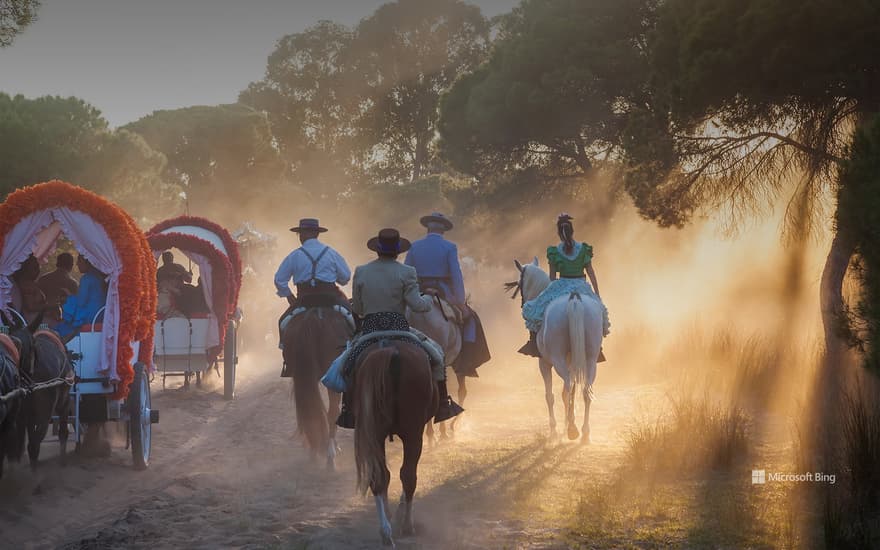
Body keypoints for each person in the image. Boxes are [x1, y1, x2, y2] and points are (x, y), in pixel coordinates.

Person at [336, 228, 464, 428]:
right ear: (398, 252)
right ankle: (442, 404)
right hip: (401, 329)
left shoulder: (361, 271)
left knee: (347, 364)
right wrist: (429, 296)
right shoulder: (407, 272)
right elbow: (417, 306)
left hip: (369, 330)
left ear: (377, 250)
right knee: (438, 355)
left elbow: (359, 309)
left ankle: (347, 410)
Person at [405, 212, 491, 375]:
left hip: (418, 289)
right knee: (470, 319)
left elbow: (406, 272)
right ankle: (466, 362)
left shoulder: (414, 246)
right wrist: (459, 301)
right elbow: (456, 275)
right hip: (443, 290)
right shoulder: (450, 247)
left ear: (427, 228)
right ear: (443, 230)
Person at [519, 214, 610, 360]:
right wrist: (597, 293)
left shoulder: (554, 252)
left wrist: (547, 294)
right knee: (600, 313)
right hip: (582, 286)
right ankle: (597, 347)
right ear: (572, 231)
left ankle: (534, 344)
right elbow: (591, 272)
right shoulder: (583, 249)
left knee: (534, 309)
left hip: (561, 285)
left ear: (558, 234)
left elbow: (552, 278)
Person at [274, 218, 351, 345]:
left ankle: (284, 349)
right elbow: (345, 277)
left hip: (304, 301)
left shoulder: (294, 255)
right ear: (317, 234)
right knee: (352, 320)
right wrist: (331, 276)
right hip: (330, 299)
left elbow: (279, 280)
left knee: (282, 323)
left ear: (301, 235)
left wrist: (289, 297)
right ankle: (350, 348)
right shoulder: (331, 253)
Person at [55, 256, 108, 338]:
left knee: (60, 328)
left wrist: (69, 297)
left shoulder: (86, 278)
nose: (76, 264)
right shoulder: (100, 277)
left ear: (88, 261)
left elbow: (80, 303)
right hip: (102, 316)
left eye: (79, 260)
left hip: (90, 319)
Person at [37, 253, 79, 324]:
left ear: (57, 264)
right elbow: (76, 306)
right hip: (65, 322)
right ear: (71, 266)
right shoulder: (73, 284)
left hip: (42, 321)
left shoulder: (43, 279)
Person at [10, 254, 49, 324]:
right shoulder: (27, 285)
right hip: (33, 322)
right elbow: (30, 307)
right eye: (35, 267)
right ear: (26, 268)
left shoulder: (23, 282)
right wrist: (51, 305)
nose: (38, 269)